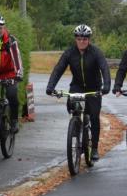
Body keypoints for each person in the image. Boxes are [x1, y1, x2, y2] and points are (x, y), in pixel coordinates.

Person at [45, 24, 111, 162]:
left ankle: (94, 149)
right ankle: (76, 127)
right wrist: (50, 86)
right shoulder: (69, 53)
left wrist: (106, 86)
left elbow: (104, 68)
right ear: (75, 39)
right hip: (77, 86)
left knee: (94, 116)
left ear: (89, 39)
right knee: (72, 106)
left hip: (94, 87)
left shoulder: (95, 52)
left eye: (85, 39)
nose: (82, 41)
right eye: (79, 38)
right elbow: (58, 69)